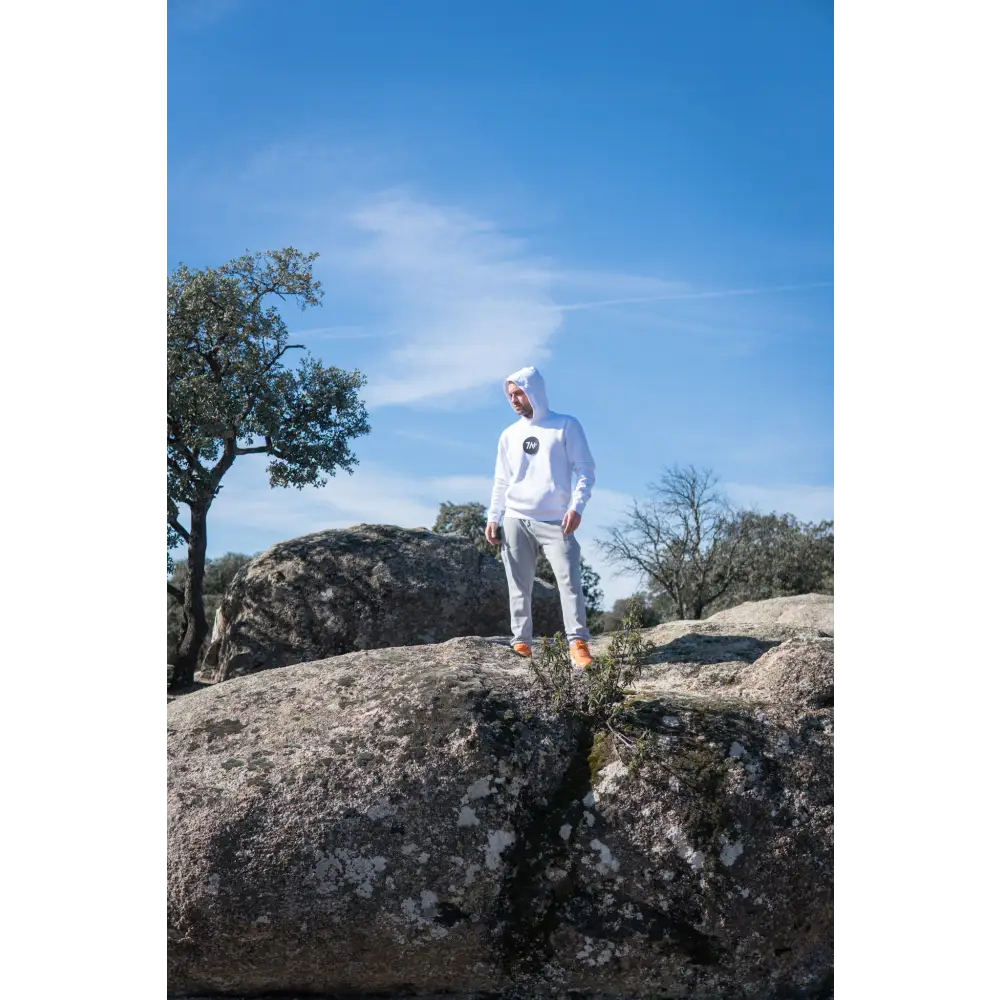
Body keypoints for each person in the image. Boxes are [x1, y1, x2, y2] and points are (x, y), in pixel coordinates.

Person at [485, 365, 596, 668]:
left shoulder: (565, 426)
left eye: (519, 392)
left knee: (569, 582)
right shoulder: (508, 435)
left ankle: (579, 645)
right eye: (510, 395)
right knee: (519, 586)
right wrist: (494, 516)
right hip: (516, 519)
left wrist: (576, 507)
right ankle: (521, 643)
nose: (514, 400)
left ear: (534, 391)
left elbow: (585, 471)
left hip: (557, 520)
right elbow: (501, 480)